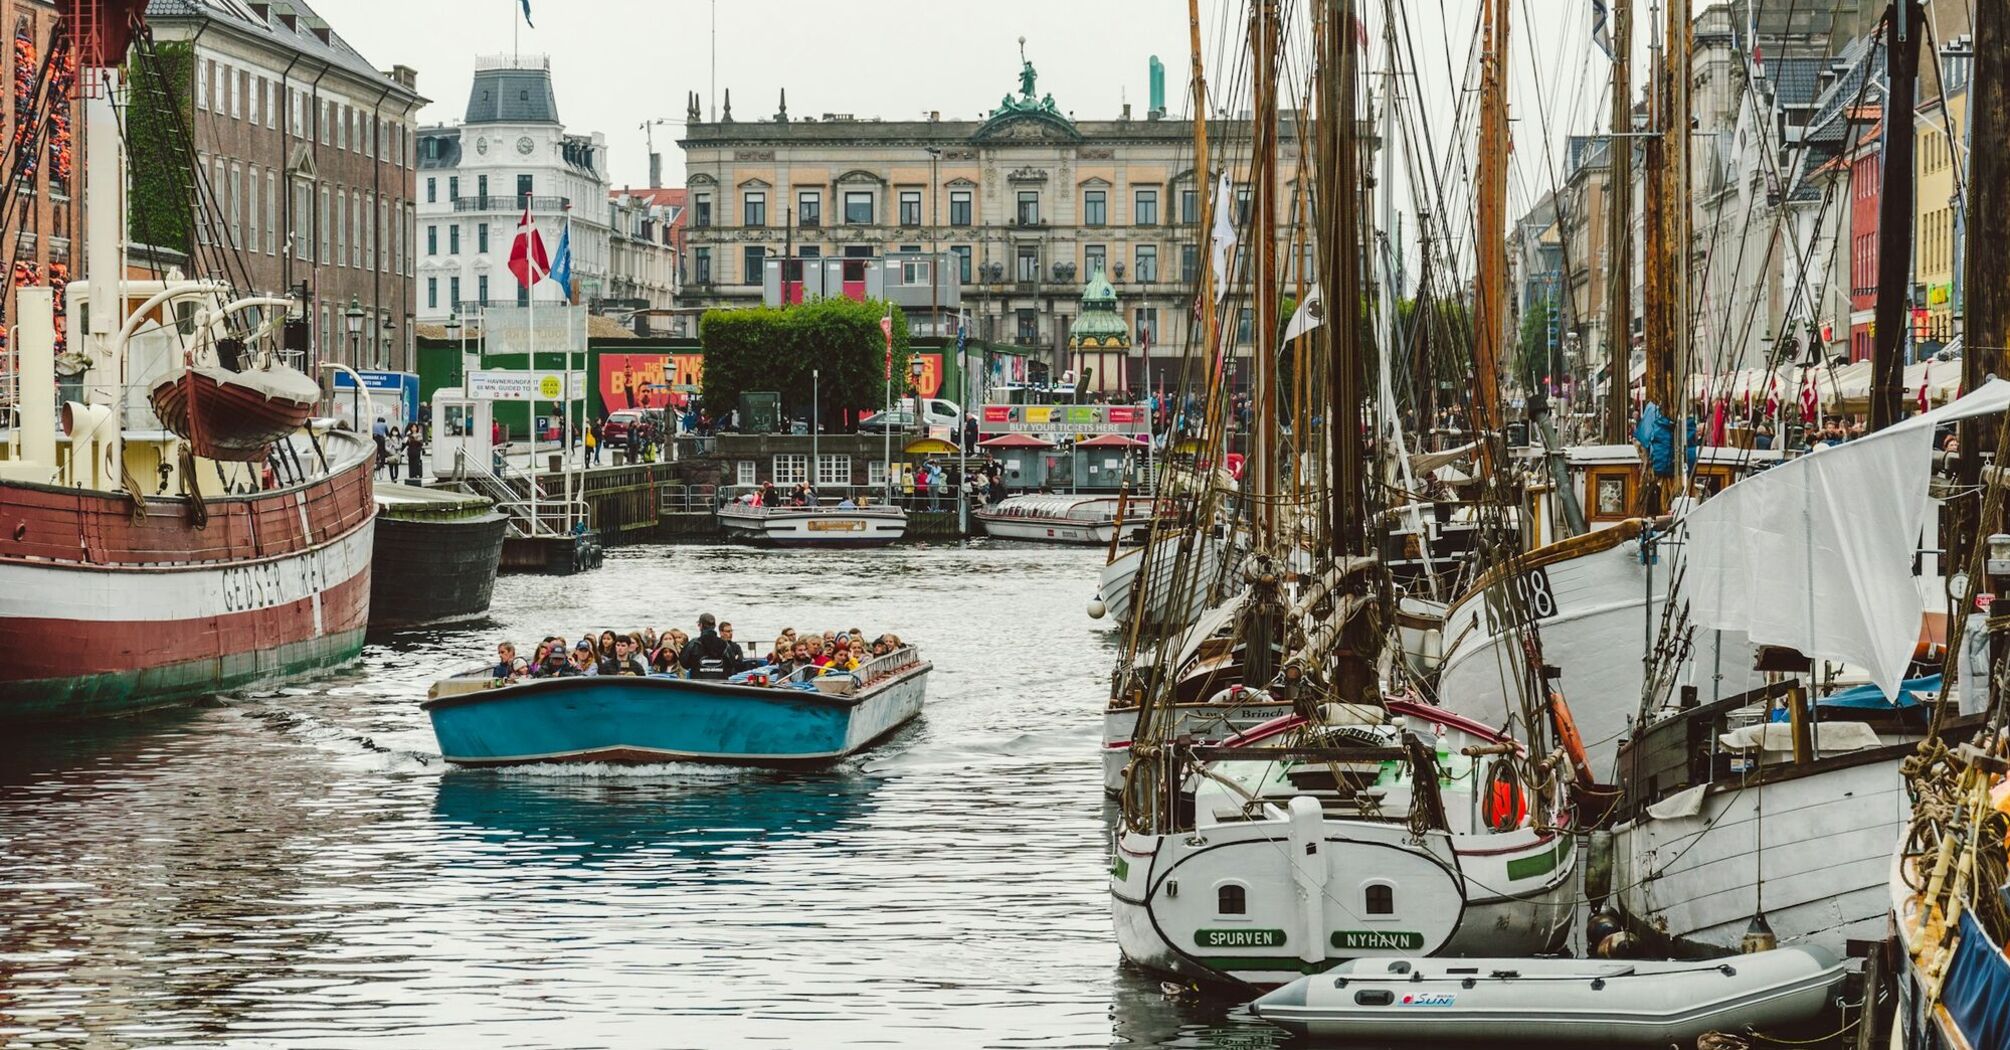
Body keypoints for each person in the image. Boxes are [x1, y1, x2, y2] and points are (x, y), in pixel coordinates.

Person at [680, 613, 734, 679]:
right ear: (714, 626)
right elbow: (732, 664)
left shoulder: (694, 644)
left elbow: (684, 663)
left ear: (701, 625)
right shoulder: (725, 645)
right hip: (720, 685)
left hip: (699, 685)